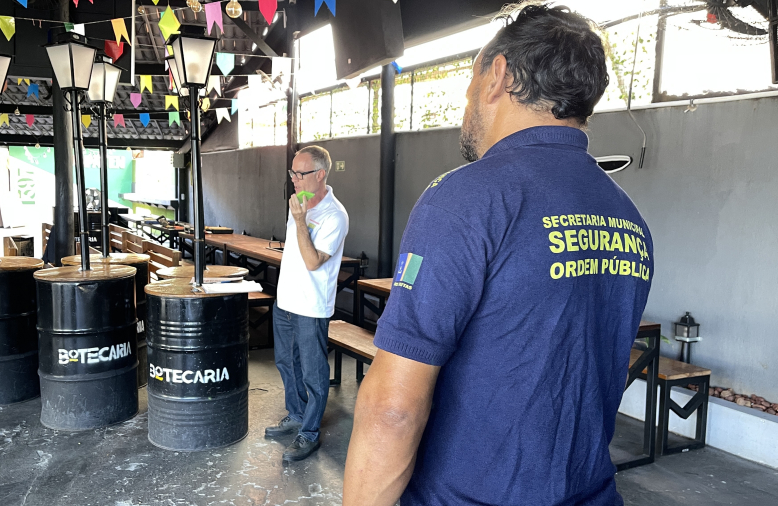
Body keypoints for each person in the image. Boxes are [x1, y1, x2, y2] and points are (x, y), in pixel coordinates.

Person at [343, 4, 654, 505]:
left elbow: (393, 410)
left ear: (499, 76)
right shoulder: (628, 217)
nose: (467, 103)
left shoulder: (464, 199)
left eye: (470, 83)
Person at [266, 145, 349, 462]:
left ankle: (309, 433)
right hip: (285, 301)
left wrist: (301, 221)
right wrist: (299, 216)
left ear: (321, 174)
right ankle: (297, 414)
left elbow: (313, 262)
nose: (294, 179)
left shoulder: (334, 215)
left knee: (313, 374)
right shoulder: (299, 203)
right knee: (286, 364)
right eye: (292, 172)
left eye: (300, 173)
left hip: (311, 308)